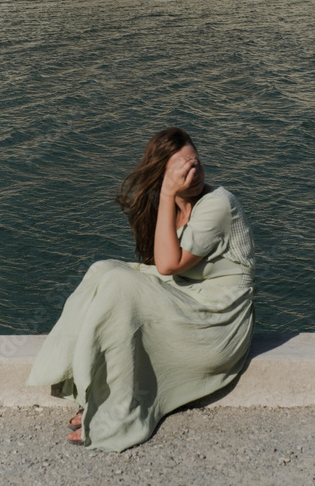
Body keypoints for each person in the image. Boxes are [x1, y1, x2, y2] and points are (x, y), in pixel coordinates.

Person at [26, 127, 255, 452]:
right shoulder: (174, 206)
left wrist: (165, 194)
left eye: (196, 161)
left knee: (121, 285)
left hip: (217, 327)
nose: (195, 170)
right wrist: (166, 197)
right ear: (165, 175)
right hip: (190, 305)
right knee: (102, 270)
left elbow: (167, 266)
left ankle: (121, 414)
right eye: (183, 168)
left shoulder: (218, 204)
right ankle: (89, 390)